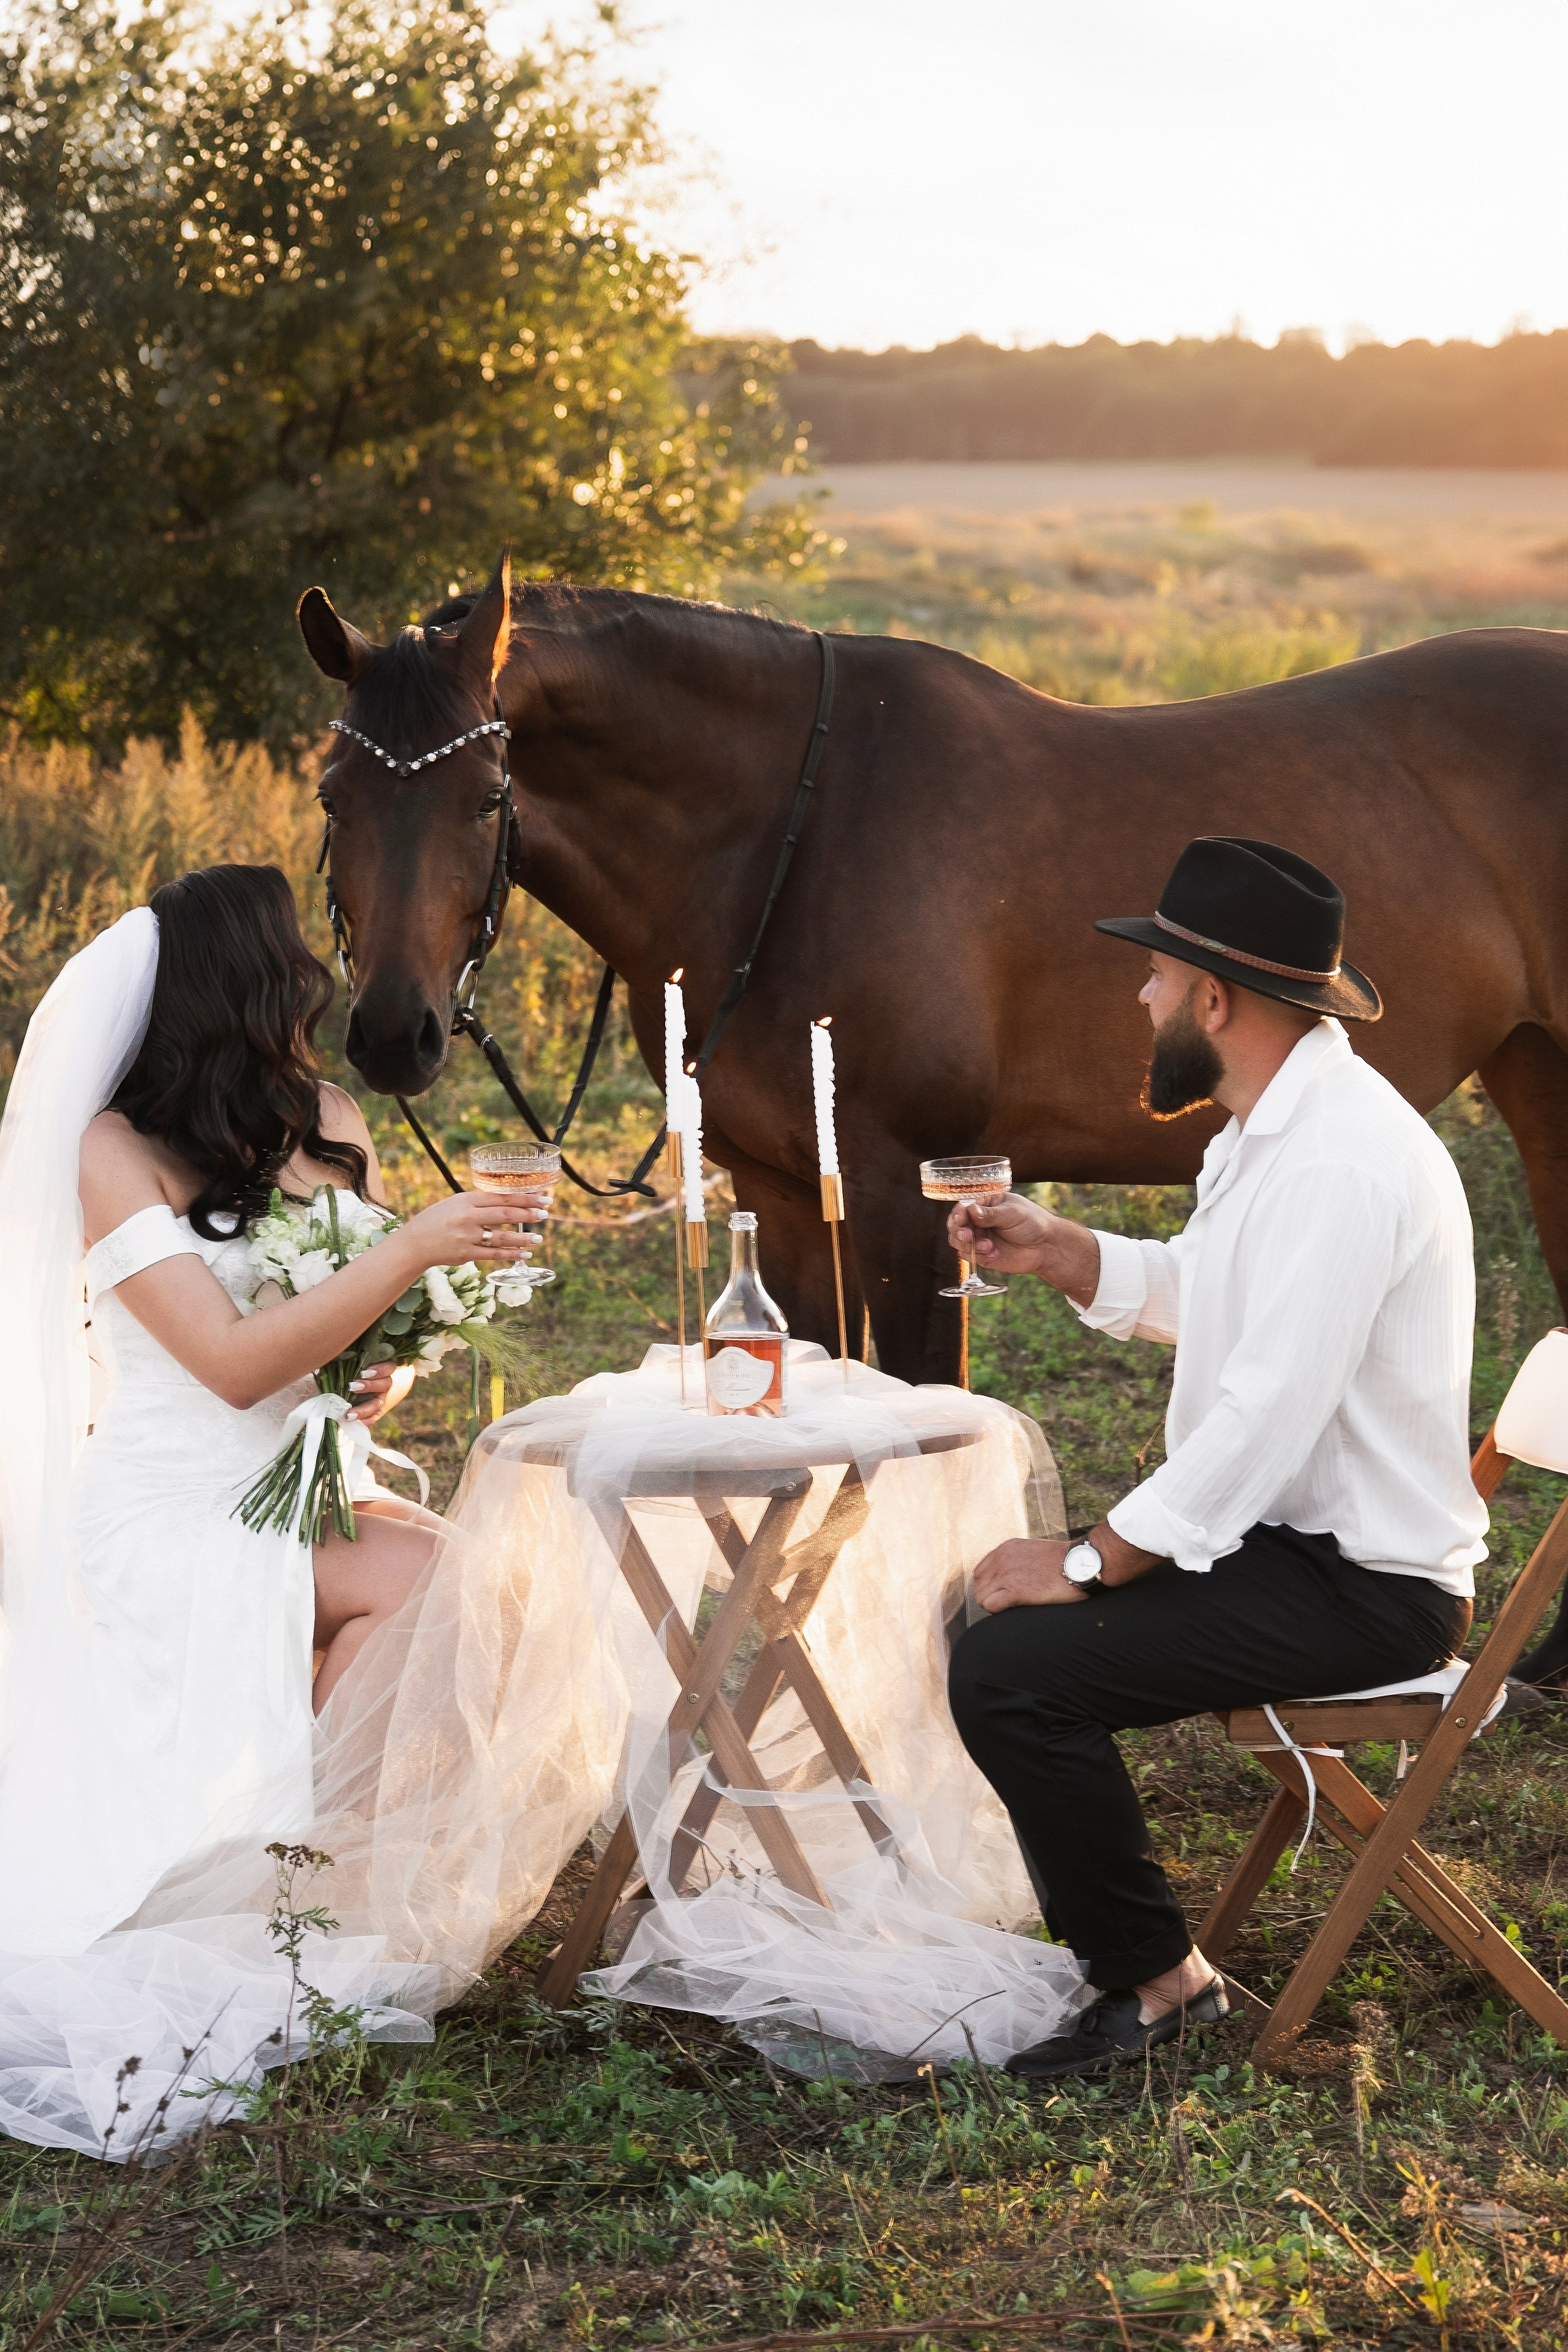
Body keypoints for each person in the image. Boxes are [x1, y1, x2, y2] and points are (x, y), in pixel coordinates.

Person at [0, 870, 545, 2154]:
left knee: (443, 1594)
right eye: (298, 954)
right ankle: (318, 1895)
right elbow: (233, 1363)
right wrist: (410, 1251)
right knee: (436, 1587)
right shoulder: (111, 1153)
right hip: (167, 1508)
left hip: (295, 1485)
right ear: (246, 978)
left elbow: (335, 1337)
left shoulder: (328, 1118)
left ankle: (298, 1891)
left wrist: (387, 1355)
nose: (318, 972)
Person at [947, 835, 1486, 2080]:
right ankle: (1138, 1964)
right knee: (987, 1629)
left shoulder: (1344, 1157)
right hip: (1291, 1551)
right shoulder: (1279, 1126)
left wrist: (1088, 1562)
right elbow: (1237, 1303)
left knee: (1011, 1671)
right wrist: (1065, 1251)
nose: (1137, 999)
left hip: (1366, 1591)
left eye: (1152, 978)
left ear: (1212, 997)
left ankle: (1157, 1990)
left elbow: (1265, 1413)